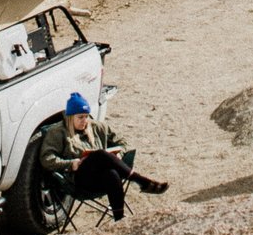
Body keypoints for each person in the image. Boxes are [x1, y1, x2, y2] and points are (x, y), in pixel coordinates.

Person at [36, 91, 167, 220]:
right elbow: (46, 159)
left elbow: (122, 142)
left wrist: (118, 156)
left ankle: (119, 218)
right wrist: (71, 164)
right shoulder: (58, 132)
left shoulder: (96, 127)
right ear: (71, 117)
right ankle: (141, 181)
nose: (84, 121)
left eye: (86, 116)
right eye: (80, 117)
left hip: (99, 178)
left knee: (111, 173)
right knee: (100, 154)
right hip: (78, 180)